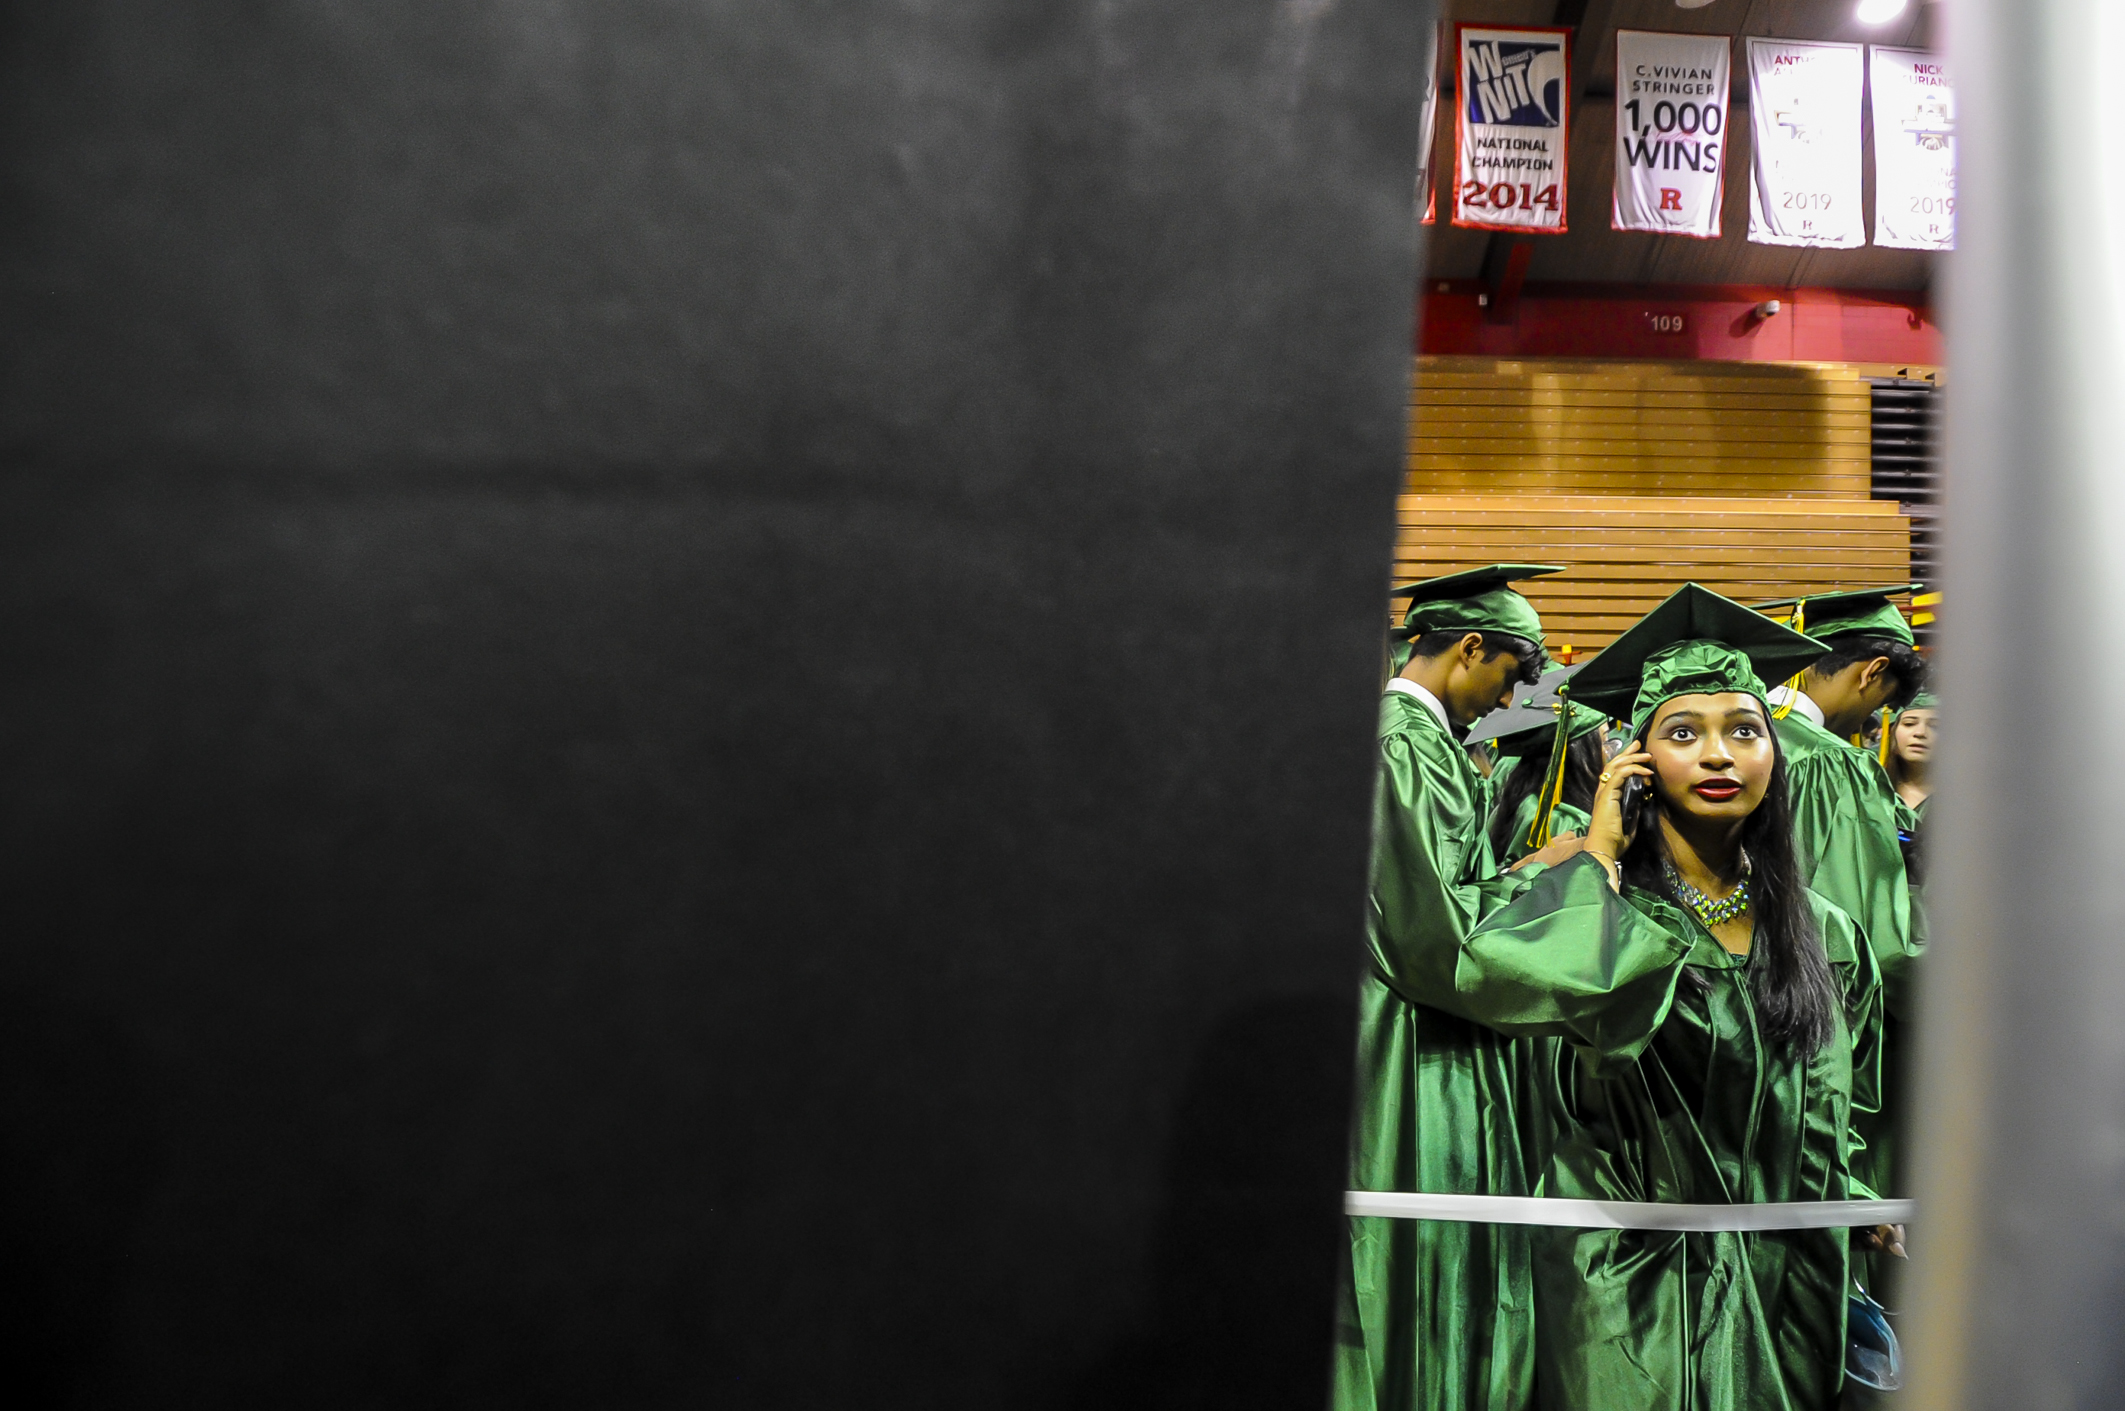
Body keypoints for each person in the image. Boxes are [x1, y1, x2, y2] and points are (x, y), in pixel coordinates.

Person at [1448, 584, 1892, 1410]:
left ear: (1774, 753)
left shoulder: (1824, 933)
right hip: (1628, 1280)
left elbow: (1844, 1095)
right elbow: (1505, 983)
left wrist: (1850, 1194)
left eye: (1744, 730)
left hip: (1784, 1272)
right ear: (1637, 760)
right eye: (1683, 733)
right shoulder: (1600, 911)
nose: (1719, 755)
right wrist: (1602, 851)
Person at [1333, 564, 1584, 1411]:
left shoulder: (1415, 739)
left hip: (1415, 1017)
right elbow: (1432, 937)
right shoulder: (1405, 739)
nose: (1508, 699)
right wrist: (1546, 872)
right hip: (1412, 1034)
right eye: (1512, 674)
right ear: (1471, 646)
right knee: (1417, 1253)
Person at [1752, 588, 1927, 1217]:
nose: (1873, 724)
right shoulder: (1831, 763)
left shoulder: (1742, 739)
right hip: (1818, 1022)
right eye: (1883, 705)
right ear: (1873, 671)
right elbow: (1875, 938)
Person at [1463, 665, 1609, 865]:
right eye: (1605, 740)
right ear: (1581, 754)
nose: (1609, 751)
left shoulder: (1519, 798)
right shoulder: (1565, 823)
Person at [1887, 691, 1936, 816]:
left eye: (1936, 726)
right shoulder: (1869, 788)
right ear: (1893, 733)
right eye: (1909, 724)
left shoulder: (1968, 797)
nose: (1920, 733)